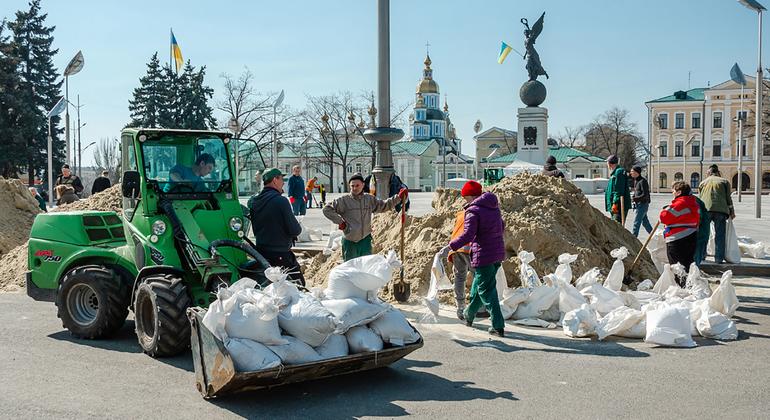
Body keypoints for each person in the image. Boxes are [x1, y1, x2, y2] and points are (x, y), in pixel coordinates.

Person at [440, 180, 506, 337]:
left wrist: (450, 247)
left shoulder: (473, 211)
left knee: (487, 290)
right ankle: (469, 315)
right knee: (479, 287)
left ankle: (498, 325)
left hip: (483, 255)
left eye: (465, 198)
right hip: (497, 253)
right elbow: (502, 226)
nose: (465, 201)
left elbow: (468, 235)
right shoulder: (493, 207)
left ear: (470, 196)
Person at [322, 173, 407, 261]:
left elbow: (384, 205)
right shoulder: (344, 201)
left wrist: (398, 197)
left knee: (365, 267)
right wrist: (341, 222)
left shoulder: (369, 199)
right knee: (351, 269)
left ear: (363, 185)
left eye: (357, 185)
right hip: (350, 242)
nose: (355, 188)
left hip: (365, 241)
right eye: (352, 186)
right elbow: (326, 209)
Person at [247, 168, 305, 286]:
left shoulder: (254, 201)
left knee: (269, 287)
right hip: (281, 255)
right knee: (299, 286)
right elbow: (295, 230)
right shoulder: (280, 201)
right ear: (274, 180)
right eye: (281, 179)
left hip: (262, 253)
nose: (283, 182)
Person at [659, 181, 700, 286]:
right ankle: (688, 286)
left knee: (677, 267)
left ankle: (680, 288)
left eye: (673, 190)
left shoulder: (680, 203)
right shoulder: (694, 203)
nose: (672, 192)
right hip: (691, 236)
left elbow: (664, 216)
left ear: (679, 192)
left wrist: (665, 209)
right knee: (687, 264)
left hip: (677, 238)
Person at [439, 208, 474, 320]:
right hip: (469, 249)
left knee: (459, 277)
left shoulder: (461, 214)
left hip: (456, 248)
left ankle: (460, 307)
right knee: (478, 276)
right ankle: (478, 306)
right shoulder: (476, 213)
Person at [698, 164, 735, 264]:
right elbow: (728, 198)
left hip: (706, 210)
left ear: (709, 173)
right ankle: (718, 259)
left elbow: (699, 199)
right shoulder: (724, 181)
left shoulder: (702, 183)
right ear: (718, 172)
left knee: (704, 234)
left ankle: (701, 256)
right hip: (721, 211)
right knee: (720, 235)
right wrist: (732, 211)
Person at [604, 155, 631, 224]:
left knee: (617, 225)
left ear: (609, 163)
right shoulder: (614, 173)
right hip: (614, 205)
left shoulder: (619, 172)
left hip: (618, 206)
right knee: (615, 225)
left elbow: (618, 190)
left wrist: (615, 203)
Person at [630, 165, 653, 237]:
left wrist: (636, 199)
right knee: (645, 222)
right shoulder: (636, 180)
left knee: (637, 222)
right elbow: (637, 192)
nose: (631, 173)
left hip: (643, 204)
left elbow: (645, 194)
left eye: (632, 171)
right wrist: (634, 196)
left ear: (637, 172)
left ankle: (634, 237)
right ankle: (653, 235)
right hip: (638, 204)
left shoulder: (643, 181)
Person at [694, 195, 711, 267]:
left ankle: (695, 272)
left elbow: (699, 217)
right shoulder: (695, 200)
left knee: (697, 253)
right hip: (702, 231)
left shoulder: (693, 201)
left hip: (700, 232)